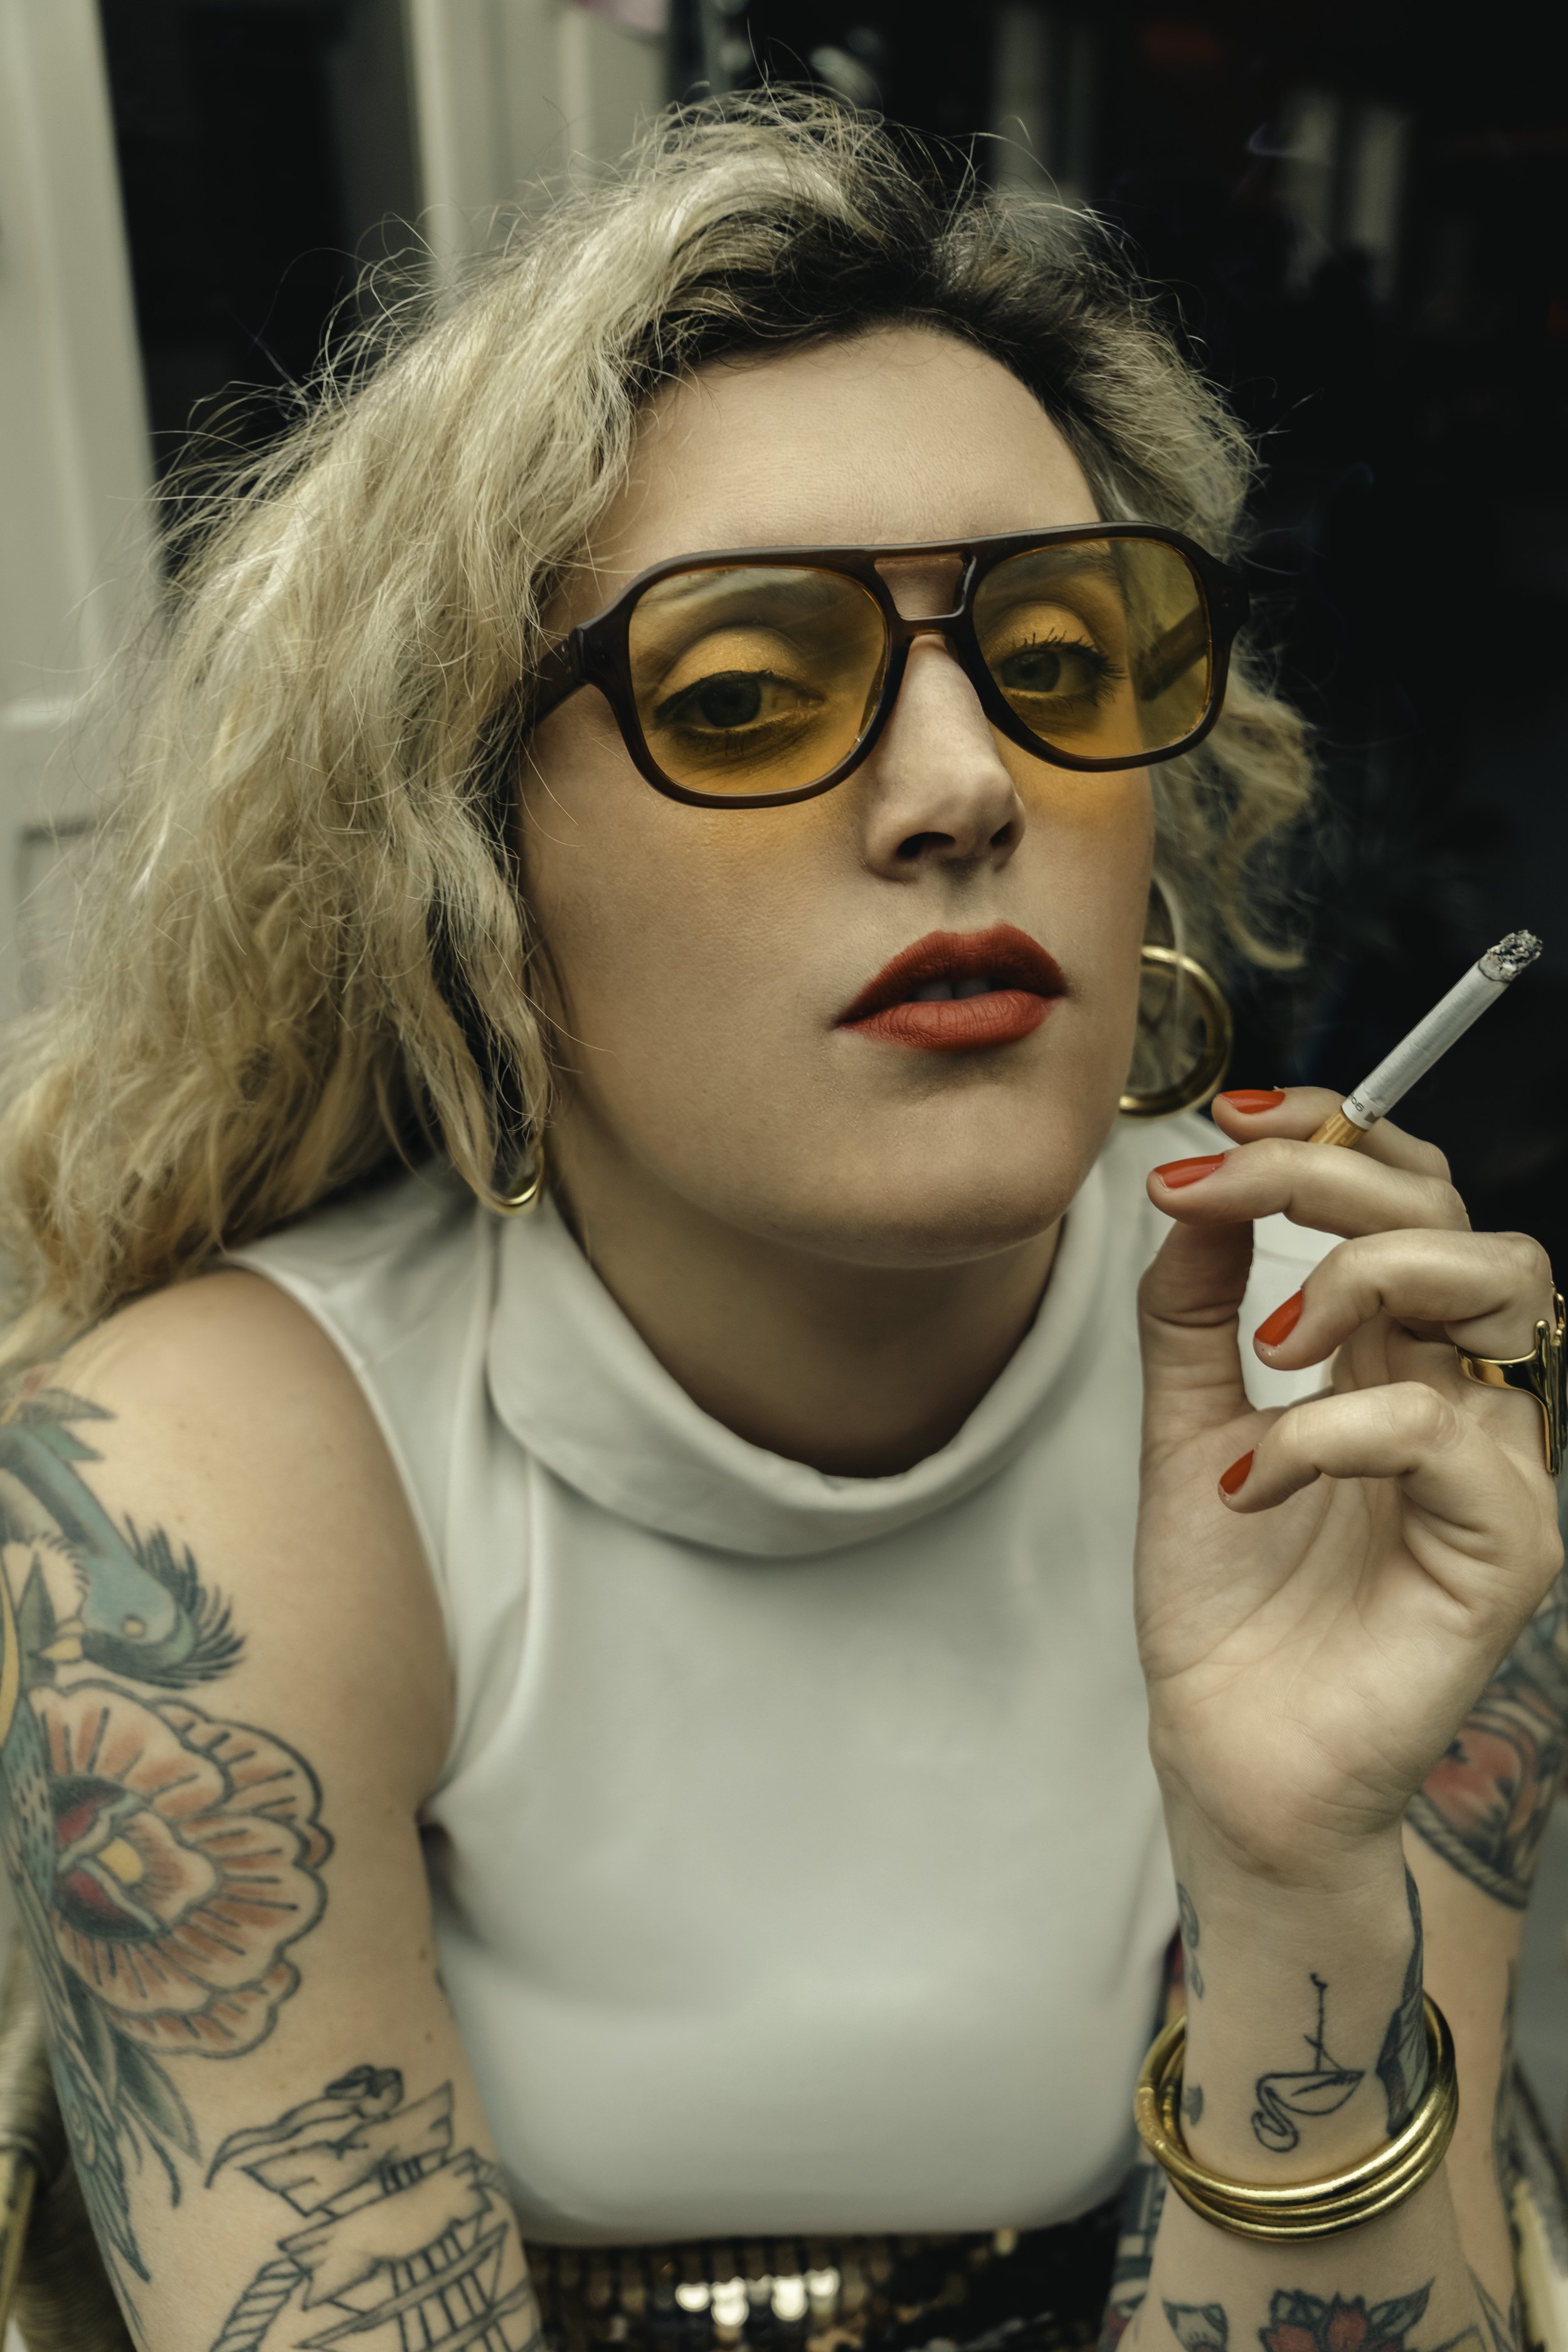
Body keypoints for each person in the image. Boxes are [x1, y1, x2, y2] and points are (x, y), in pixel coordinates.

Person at [0, 93, 1559, 2352]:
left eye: (1056, 661)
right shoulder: (201, 1494)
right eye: (742, 693)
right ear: (463, 862)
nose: (965, 786)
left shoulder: (1356, 1382)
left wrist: (1295, 1870)